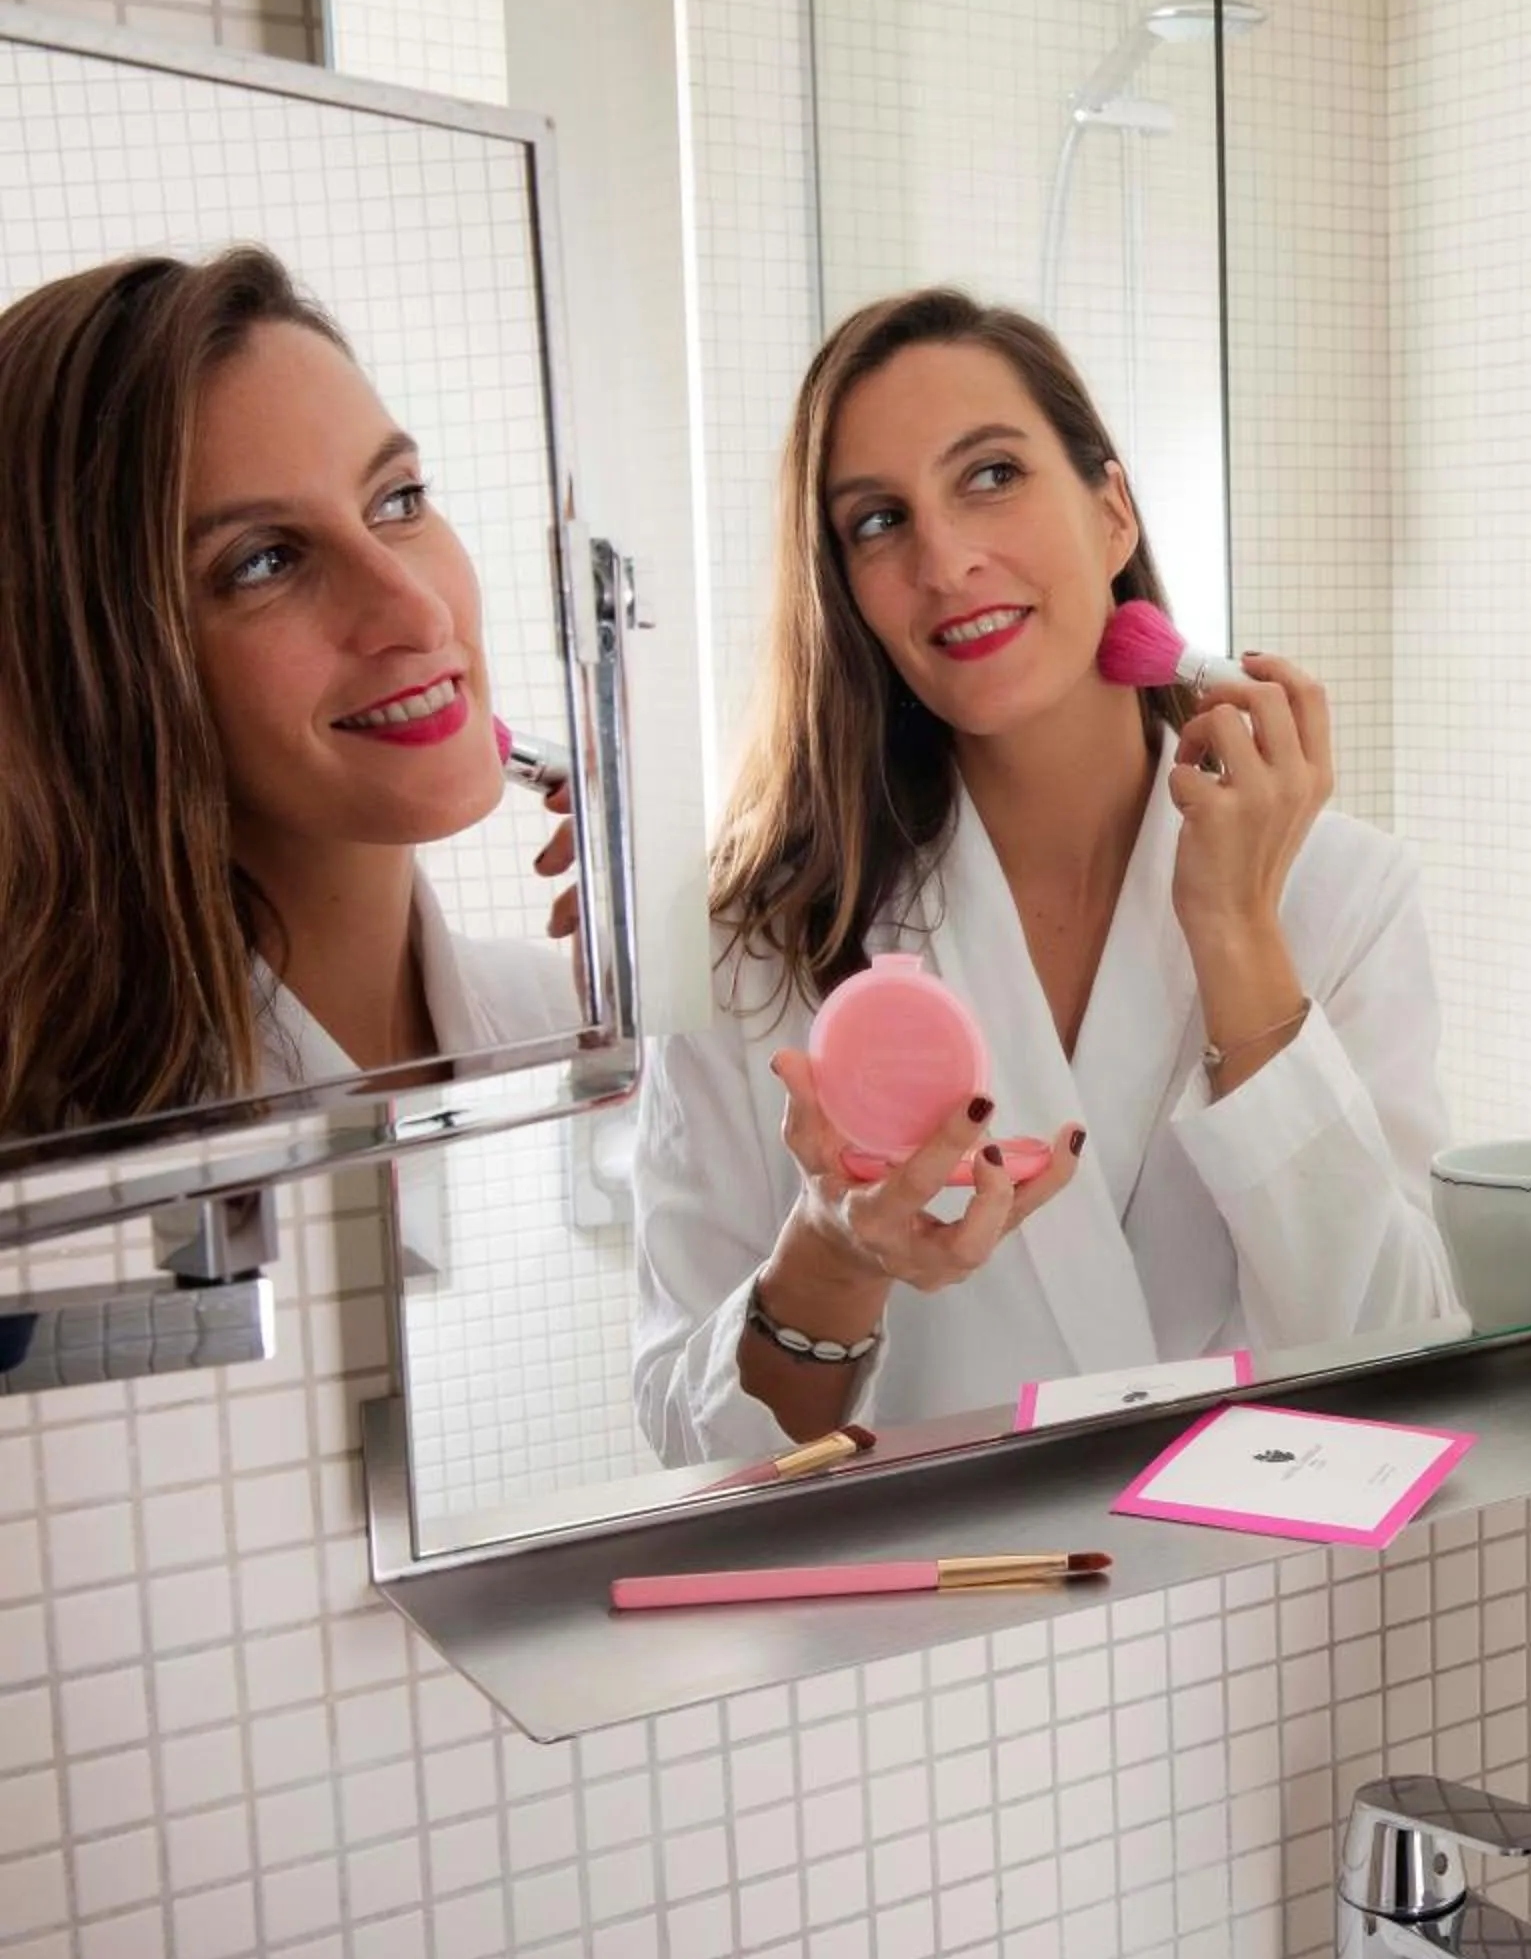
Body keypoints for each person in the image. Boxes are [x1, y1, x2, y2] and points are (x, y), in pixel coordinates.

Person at [631, 289, 1454, 1465]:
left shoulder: (1343, 896)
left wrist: (1234, 934)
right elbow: (682, 1443)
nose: (947, 559)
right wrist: (835, 1250)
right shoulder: (748, 943)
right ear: (847, 597)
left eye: (991, 476)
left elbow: (1404, 1360)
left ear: (1112, 511)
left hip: (1263, 1616)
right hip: (935, 1626)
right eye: (876, 522)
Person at [0, 246, 579, 1140]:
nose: (418, 614)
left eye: (398, 500)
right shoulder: (61, 1155)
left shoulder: (571, 1026)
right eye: (264, 561)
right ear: (99, 679)